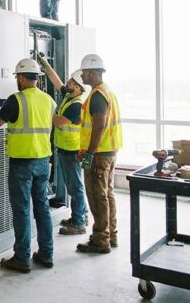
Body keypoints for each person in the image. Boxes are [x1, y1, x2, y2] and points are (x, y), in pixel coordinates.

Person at [0, 58, 55, 273]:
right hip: (43, 161)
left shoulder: (16, 100)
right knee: (42, 209)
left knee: (22, 210)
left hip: (22, 164)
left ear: (23, 78)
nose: (17, 80)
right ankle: (46, 254)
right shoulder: (49, 100)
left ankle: (22, 258)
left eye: (17, 77)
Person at [76, 53, 123, 254]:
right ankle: (110, 235)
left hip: (99, 154)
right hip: (109, 152)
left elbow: (99, 124)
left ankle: (100, 240)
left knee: (97, 196)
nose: (82, 77)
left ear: (93, 73)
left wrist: (90, 153)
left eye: (84, 73)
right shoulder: (107, 91)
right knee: (107, 194)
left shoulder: (97, 96)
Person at [36, 54, 87, 235]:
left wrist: (40, 112)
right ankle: (80, 215)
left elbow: (59, 121)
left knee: (75, 186)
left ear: (78, 87)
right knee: (74, 185)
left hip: (72, 150)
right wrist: (44, 63)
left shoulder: (77, 105)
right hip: (65, 148)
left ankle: (78, 222)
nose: (68, 83)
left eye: (72, 82)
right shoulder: (69, 97)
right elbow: (56, 81)